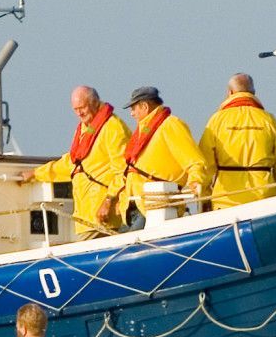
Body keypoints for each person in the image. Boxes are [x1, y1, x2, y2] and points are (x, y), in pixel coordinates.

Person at [18, 86, 130, 236]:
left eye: (82, 107)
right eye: (75, 109)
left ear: (95, 102)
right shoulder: (85, 128)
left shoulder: (113, 128)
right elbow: (71, 164)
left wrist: (108, 201)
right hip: (86, 217)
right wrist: (35, 174)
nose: (79, 113)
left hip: (104, 216)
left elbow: (123, 170)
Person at [98, 87, 207, 229]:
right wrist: (116, 198)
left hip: (153, 208)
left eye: (133, 109)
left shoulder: (170, 125)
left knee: (133, 248)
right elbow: (130, 170)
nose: (131, 114)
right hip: (133, 207)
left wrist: (195, 180)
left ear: (144, 106)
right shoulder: (142, 131)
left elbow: (194, 161)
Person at [198, 73, 276, 210]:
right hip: (264, 198)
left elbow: (205, 163)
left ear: (230, 92)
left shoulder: (217, 121)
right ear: (254, 93)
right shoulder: (268, 120)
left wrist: (204, 196)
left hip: (225, 200)